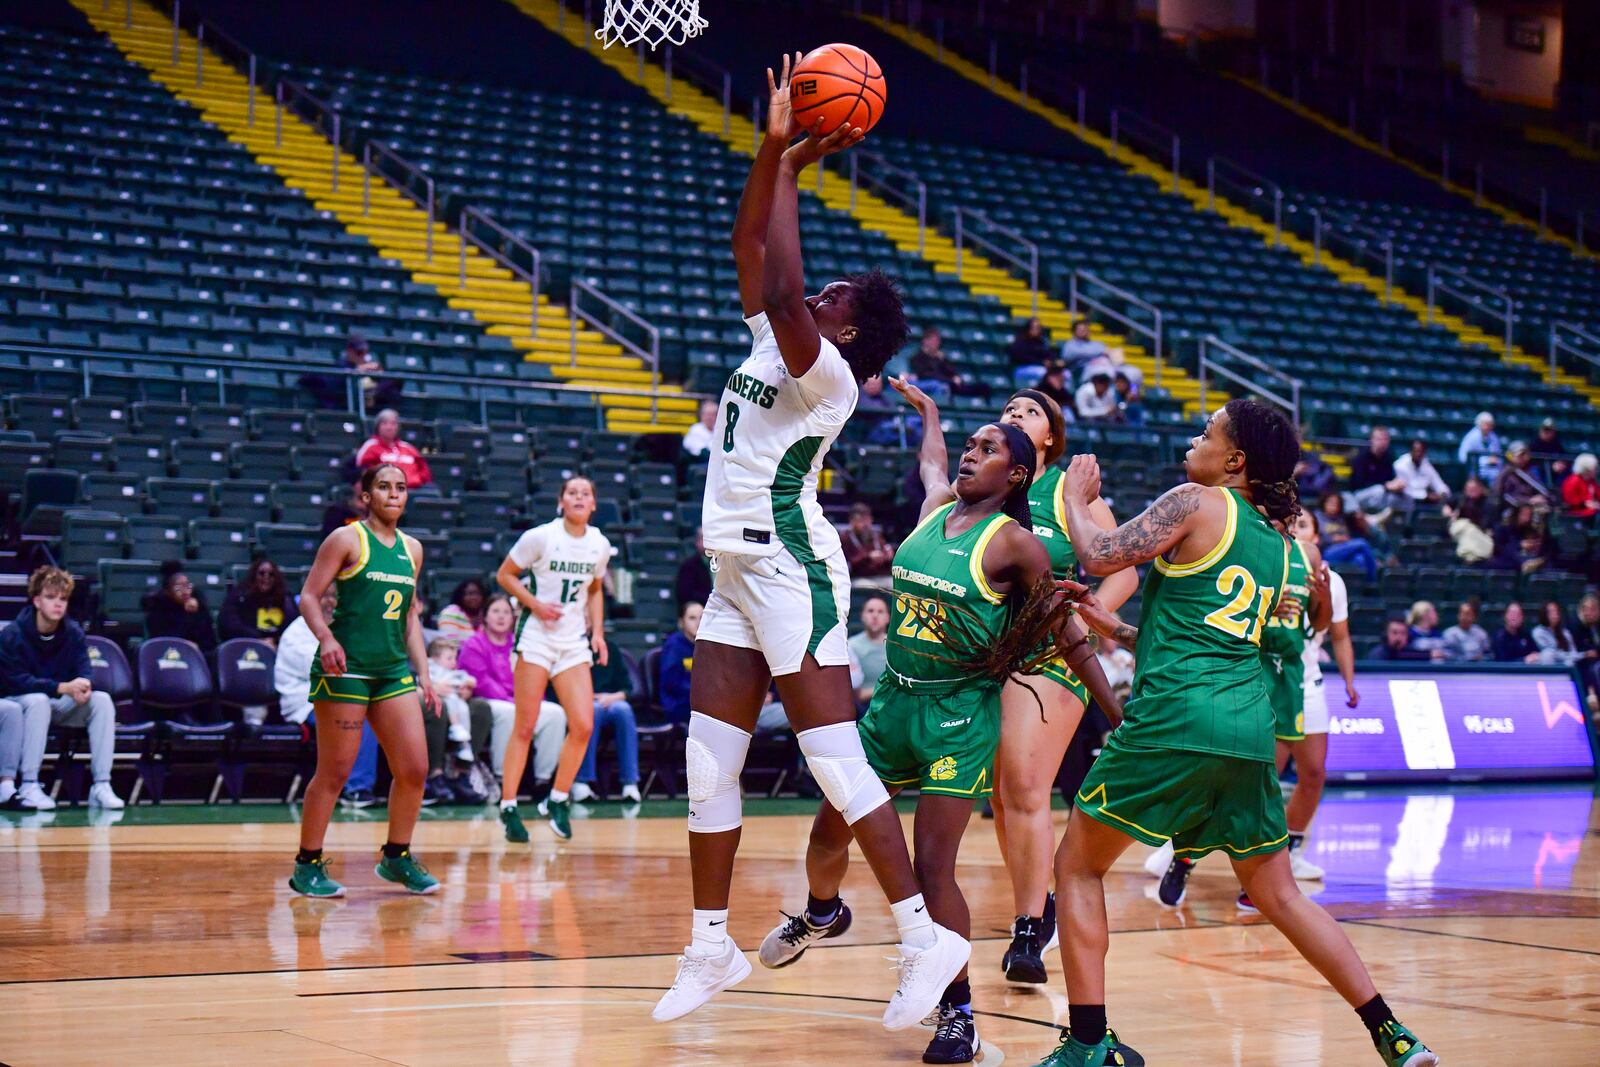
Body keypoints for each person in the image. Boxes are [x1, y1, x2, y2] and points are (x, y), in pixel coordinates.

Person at [653, 54, 963, 1032]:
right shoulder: (771, 341)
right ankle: (710, 942)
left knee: (832, 755)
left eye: (834, 293)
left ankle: (922, 934)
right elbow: (753, 245)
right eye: (819, 287)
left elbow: (784, 290)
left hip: (793, 565)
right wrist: (770, 154)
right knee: (709, 765)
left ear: (848, 329)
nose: (815, 290)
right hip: (734, 568)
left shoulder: (829, 376)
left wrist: (792, 158)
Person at [1036, 399, 1435, 1067]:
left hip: (1175, 717)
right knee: (1278, 892)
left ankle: (1087, 1043)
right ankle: (1391, 1031)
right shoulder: (1285, 551)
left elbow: (1100, 553)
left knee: (1078, 865)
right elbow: (1218, 637)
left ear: (1235, 460)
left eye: (1207, 432)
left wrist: (1073, 495)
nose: (1195, 440)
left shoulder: (1197, 500)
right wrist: (1114, 630)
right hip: (1249, 728)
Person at [759, 417, 1116, 1065]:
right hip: (892, 704)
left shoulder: (1015, 545)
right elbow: (931, 462)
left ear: (1014, 475)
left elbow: (1068, 633)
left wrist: (1119, 713)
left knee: (932, 868)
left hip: (957, 714)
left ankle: (959, 1015)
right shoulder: (934, 508)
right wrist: (926, 414)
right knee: (827, 835)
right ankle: (820, 911)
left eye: (986, 451)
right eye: (969, 445)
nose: (968, 456)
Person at [900, 382, 1136, 988]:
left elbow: (1124, 570)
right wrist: (929, 415)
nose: (1015, 414)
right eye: (1009, 409)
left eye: (1030, 411)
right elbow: (932, 476)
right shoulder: (982, 490)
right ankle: (1037, 905)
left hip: (1055, 655)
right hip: (994, 658)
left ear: (1051, 437)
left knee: (1029, 789)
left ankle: (1029, 927)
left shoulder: (1066, 491)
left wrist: (1086, 620)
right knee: (1005, 798)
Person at [289, 463, 440, 898]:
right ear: (366, 496)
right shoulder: (346, 538)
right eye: (384, 487)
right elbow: (309, 597)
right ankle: (307, 864)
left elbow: (410, 614)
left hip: (392, 670)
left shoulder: (413, 549)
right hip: (346, 668)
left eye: (401, 488)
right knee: (335, 771)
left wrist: (424, 671)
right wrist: (326, 637)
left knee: (414, 769)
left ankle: (396, 856)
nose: (394, 494)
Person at [495, 476, 612, 843]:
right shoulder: (541, 537)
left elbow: (594, 589)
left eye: (586, 493)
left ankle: (558, 798)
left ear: (593, 504)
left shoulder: (599, 544)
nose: (579, 497)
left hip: (572, 642)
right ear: (561, 501)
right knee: (525, 726)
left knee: (583, 725)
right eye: (572, 492)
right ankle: (509, 806)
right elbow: (505, 575)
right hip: (536, 637)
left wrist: (597, 632)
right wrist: (535, 605)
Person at [0, 567, 123, 812]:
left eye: (63, 599)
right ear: (36, 600)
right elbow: (16, 681)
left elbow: (84, 668)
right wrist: (61, 687)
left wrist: (84, 686)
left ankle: (101, 784)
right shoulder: (12, 634)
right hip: (21, 704)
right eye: (51, 597)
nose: (58, 604)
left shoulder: (73, 632)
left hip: (57, 703)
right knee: (38, 700)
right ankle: (29, 784)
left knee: (101, 700)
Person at [275, 584, 382, 808]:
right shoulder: (297, 633)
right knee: (359, 715)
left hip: (341, 695)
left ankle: (417, 784)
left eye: (336, 597)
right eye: (325, 596)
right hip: (305, 702)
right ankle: (356, 788)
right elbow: (329, 670)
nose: (331, 602)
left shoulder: (344, 627)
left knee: (393, 709)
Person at [458, 595, 565, 793]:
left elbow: (534, 676)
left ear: (513, 618)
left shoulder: (521, 644)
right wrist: (515, 702)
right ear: (485, 617)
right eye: (496, 612)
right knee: (508, 712)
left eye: (506, 612)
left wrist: (530, 701)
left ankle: (544, 780)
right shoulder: (473, 644)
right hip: (487, 701)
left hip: (520, 701)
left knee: (555, 714)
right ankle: (502, 777)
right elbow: (482, 682)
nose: (501, 617)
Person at [574, 650, 642, 803]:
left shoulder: (611, 649)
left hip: (611, 701)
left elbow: (628, 688)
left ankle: (630, 783)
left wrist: (614, 697)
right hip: (581, 702)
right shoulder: (570, 649)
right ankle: (581, 782)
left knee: (624, 710)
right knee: (593, 711)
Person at [142, 562, 218, 654]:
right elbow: (161, 641)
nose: (185, 591)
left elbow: (210, 641)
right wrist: (185, 645)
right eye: (178, 588)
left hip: (200, 657)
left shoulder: (199, 608)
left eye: (187, 586)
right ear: (167, 591)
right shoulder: (158, 610)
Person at [219, 558, 297, 646]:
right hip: (246, 644)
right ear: (254, 575)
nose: (266, 577)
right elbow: (230, 624)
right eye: (261, 573)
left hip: (277, 647)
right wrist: (258, 640)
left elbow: (292, 627)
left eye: (271, 574)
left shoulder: (285, 599)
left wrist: (275, 641)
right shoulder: (239, 596)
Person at [354, 409, 433, 492]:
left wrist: (418, 480)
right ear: (378, 426)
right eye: (384, 423)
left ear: (398, 427)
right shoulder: (371, 446)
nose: (389, 427)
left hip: (413, 490)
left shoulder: (408, 448)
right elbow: (364, 471)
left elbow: (425, 472)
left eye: (393, 423)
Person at [425, 637, 476, 764]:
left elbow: (468, 679)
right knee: (451, 700)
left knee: (463, 707)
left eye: (455, 658)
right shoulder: (429, 668)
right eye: (449, 658)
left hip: (454, 697)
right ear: (434, 658)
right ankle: (455, 726)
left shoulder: (451, 671)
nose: (453, 662)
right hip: (441, 698)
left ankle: (464, 743)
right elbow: (424, 682)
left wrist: (467, 683)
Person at [1317, 493, 1380, 580]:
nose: (1333, 505)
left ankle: (1360, 589)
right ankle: (1373, 581)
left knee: (1360, 559)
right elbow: (1317, 537)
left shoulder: (1342, 519)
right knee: (1362, 543)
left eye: (1336, 503)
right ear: (1324, 503)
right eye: (1331, 502)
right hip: (1327, 552)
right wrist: (1334, 539)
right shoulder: (1318, 517)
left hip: (1345, 550)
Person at [659, 601, 699, 724]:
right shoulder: (674, 646)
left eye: (702, 618)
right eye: (692, 618)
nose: (698, 623)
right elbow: (671, 683)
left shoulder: (706, 646)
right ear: (681, 622)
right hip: (677, 704)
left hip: (699, 703)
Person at [847, 594, 889, 708]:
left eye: (880, 611)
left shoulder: (896, 647)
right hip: (864, 708)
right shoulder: (851, 646)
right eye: (870, 611)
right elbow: (856, 695)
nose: (875, 615)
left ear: (888, 618)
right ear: (862, 616)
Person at [841, 501, 894, 588]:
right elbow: (849, 563)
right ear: (852, 521)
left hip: (878, 576)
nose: (865, 524)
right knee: (868, 586)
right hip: (858, 577)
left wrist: (887, 556)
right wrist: (868, 557)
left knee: (894, 585)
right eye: (861, 520)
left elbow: (885, 554)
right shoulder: (845, 538)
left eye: (867, 520)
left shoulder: (876, 536)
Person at [1389, 439, 1450, 515]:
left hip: (1425, 501)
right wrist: (1426, 496)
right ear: (1411, 451)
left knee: (1445, 504)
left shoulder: (1426, 464)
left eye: (1421, 451)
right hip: (1405, 500)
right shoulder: (1400, 465)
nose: (1418, 454)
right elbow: (1406, 491)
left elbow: (1439, 484)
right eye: (1416, 451)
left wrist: (1442, 493)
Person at [1346, 426, 1397, 514]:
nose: (1383, 442)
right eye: (1379, 439)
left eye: (1385, 439)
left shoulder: (1389, 457)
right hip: (1359, 494)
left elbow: (1390, 479)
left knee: (1399, 497)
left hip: (1381, 493)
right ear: (1372, 440)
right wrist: (1385, 486)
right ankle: (1373, 515)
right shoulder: (1361, 457)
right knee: (1379, 490)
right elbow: (1358, 483)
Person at [1444, 475, 1495, 563]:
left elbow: (1486, 524)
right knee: (1466, 527)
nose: (1471, 491)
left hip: (1478, 531)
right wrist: (1449, 513)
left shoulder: (1488, 503)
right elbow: (1447, 506)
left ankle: (1471, 555)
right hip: (1459, 527)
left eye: (1474, 489)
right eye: (1469, 489)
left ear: (1481, 489)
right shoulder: (1460, 498)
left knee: (1473, 533)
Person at [1496, 441, 1553, 514]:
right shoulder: (1506, 473)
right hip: (1512, 510)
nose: (1524, 458)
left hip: (1529, 507)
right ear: (1511, 456)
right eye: (1521, 455)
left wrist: (1541, 498)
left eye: (1526, 454)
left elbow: (1540, 488)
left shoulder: (1529, 471)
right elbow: (1505, 496)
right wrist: (1529, 500)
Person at [1490, 503, 1549, 573]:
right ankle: (1525, 563)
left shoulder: (1529, 530)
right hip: (1504, 561)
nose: (1526, 519)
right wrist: (1520, 545)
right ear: (1517, 514)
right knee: (1511, 553)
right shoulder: (1503, 529)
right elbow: (1501, 549)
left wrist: (1534, 545)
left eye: (1529, 516)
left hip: (1525, 558)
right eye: (1524, 515)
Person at [1532, 601, 1586, 667]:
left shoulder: (1565, 632)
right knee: (1547, 655)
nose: (1555, 614)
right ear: (1544, 614)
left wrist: (1577, 656)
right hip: (1546, 665)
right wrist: (1582, 655)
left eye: (1556, 611)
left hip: (1566, 666)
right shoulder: (1538, 632)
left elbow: (1573, 652)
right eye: (1551, 612)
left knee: (1570, 662)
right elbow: (1553, 654)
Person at [1457, 411, 1504, 482]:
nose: (1489, 427)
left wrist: (1495, 460)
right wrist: (1485, 461)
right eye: (1486, 424)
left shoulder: (1493, 437)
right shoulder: (1472, 436)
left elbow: (1497, 455)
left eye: (1491, 425)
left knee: (1499, 475)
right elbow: (1462, 457)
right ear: (1479, 424)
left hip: (1491, 470)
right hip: (1475, 469)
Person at [1570, 594, 1600, 702]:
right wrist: (1587, 653)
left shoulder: (1595, 625)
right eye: (1589, 609)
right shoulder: (1574, 625)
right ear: (1583, 610)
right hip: (1581, 662)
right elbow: (1575, 649)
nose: (1592, 613)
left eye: (1595, 610)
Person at [1007, 317, 1053, 386]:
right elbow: (1022, 358)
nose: (1036, 330)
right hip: (1022, 368)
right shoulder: (1020, 341)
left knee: (1065, 374)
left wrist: (1051, 361)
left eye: (1038, 328)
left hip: (1037, 367)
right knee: (1043, 372)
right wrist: (1041, 362)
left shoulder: (1041, 341)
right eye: (1034, 327)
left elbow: (1048, 354)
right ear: (1028, 328)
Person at [674, 528, 713, 609]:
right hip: (699, 610)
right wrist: (712, 599)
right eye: (704, 538)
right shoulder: (689, 566)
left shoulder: (724, 564)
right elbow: (685, 594)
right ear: (697, 542)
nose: (709, 542)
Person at [1562, 453, 1600, 520]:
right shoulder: (1572, 481)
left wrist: (1595, 504)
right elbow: (1570, 501)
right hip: (1578, 513)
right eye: (1595, 468)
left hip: (1593, 510)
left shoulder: (1591, 481)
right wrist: (1586, 504)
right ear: (1586, 469)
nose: (1597, 471)